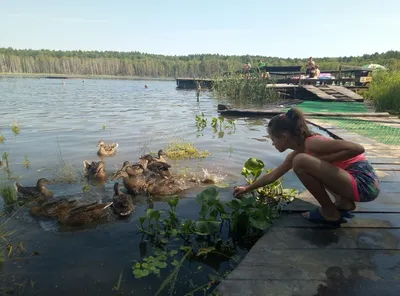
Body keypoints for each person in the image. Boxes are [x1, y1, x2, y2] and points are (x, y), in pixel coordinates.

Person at [233, 108, 380, 226]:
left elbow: (357, 148)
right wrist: (247, 188)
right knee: (303, 161)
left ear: (284, 136)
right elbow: (273, 175)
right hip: (355, 184)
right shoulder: (298, 152)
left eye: (273, 139)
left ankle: (329, 213)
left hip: (364, 185)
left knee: (302, 161)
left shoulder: (312, 143)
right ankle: (344, 203)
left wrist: (323, 160)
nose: (272, 143)